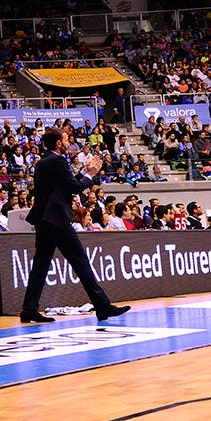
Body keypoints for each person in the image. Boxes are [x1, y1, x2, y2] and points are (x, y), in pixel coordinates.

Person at [19, 128, 130, 323]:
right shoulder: (58, 160)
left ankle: (29, 308)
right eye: (65, 139)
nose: (69, 141)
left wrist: (84, 172)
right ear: (58, 143)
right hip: (56, 218)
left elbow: (64, 184)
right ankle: (103, 306)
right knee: (80, 261)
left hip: (44, 219)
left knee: (41, 264)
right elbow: (74, 187)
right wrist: (90, 175)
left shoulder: (45, 161)